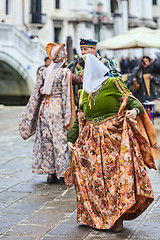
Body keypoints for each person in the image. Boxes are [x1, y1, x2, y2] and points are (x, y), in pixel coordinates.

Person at [64, 54, 157, 232]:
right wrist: (71, 139)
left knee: (116, 180)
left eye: (81, 71)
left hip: (114, 142)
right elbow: (80, 118)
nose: (79, 74)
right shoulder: (83, 92)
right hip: (91, 143)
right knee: (95, 182)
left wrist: (135, 112)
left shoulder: (113, 84)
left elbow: (132, 102)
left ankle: (117, 218)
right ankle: (97, 216)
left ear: (90, 70)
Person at [19, 42, 76, 184]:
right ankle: (63, 173)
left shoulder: (43, 71)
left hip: (44, 109)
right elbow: (66, 96)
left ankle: (50, 173)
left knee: (47, 141)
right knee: (60, 141)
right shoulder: (64, 73)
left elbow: (35, 95)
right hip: (57, 110)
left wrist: (32, 114)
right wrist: (69, 117)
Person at [68, 38, 122, 108]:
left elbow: (117, 81)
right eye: (81, 49)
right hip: (80, 105)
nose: (83, 52)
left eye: (85, 49)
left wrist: (103, 72)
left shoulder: (106, 63)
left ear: (93, 49)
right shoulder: (75, 64)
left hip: (102, 105)